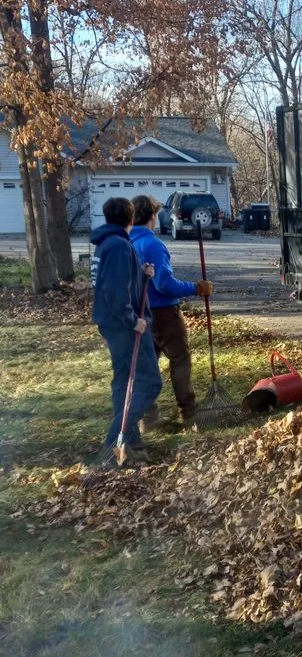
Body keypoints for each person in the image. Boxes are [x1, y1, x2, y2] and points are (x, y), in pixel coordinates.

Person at [129, 194, 213, 425]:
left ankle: (148, 418)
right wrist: (196, 288)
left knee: (147, 366)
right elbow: (164, 284)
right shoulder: (152, 245)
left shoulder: (127, 244)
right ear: (152, 216)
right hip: (163, 315)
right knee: (180, 360)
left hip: (139, 315)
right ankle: (188, 412)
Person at [91, 197, 162, 461]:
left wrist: (141, 273)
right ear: (131, 218)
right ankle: (115, 440)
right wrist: (133, 320)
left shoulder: (107, 244)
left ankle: (129, 440)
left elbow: (116, 280)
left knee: (123, 381)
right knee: (150, 383)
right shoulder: (119, 246)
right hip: (124, 326)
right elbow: (115, 291)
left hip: (112, 322)